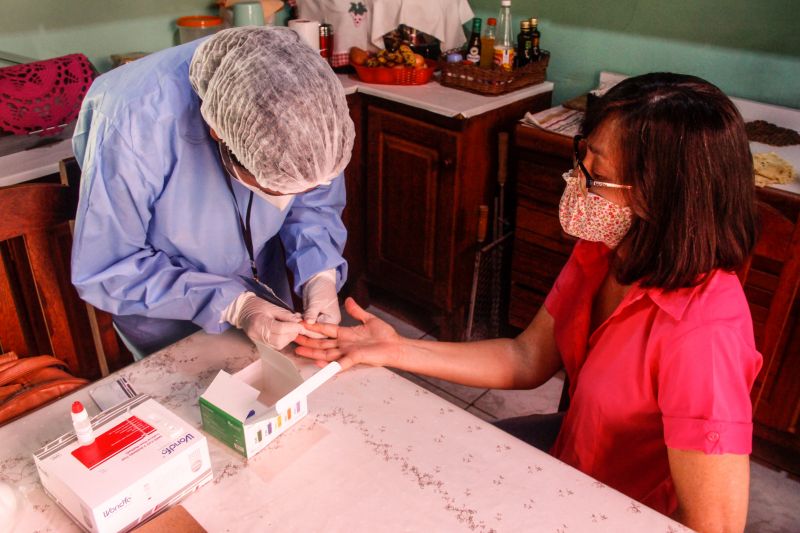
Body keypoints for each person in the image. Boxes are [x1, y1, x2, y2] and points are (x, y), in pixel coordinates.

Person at [295, 73, 762, 532]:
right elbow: (528, 357)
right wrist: (397, 350)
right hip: (571, 461)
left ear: (658, 198)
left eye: (596, 176)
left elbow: (712, 526)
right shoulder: (606, 248)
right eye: (584, 159)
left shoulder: (705, 335)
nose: (576, 182)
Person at [71, 27, 354, 358]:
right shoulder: (134, 121)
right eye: (274, 188)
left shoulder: (299, 87)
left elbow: (313, 202)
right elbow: (108, 266)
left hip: (266, 295)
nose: (286, 200)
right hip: (165, 314)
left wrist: (319, 275)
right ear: (218, 133)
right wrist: (234, 304)